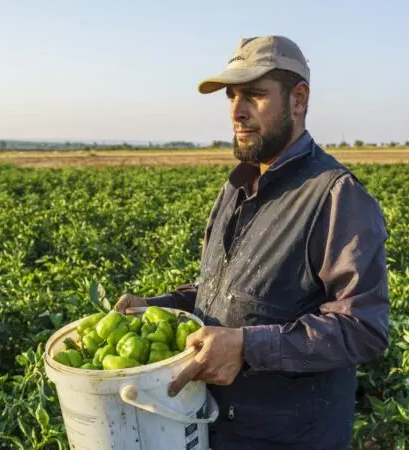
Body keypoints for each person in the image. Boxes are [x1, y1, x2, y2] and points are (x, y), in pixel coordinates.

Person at [114, 35, 390, 449]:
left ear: (298, 99)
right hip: (220, 429)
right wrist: (156, 309)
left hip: (290, 439)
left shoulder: (335, 197)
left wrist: (249, 347)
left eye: (255, 96)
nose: (237, 113)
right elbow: (221, 293)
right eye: (231, 97)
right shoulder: (237, 187)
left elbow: (363, 327)